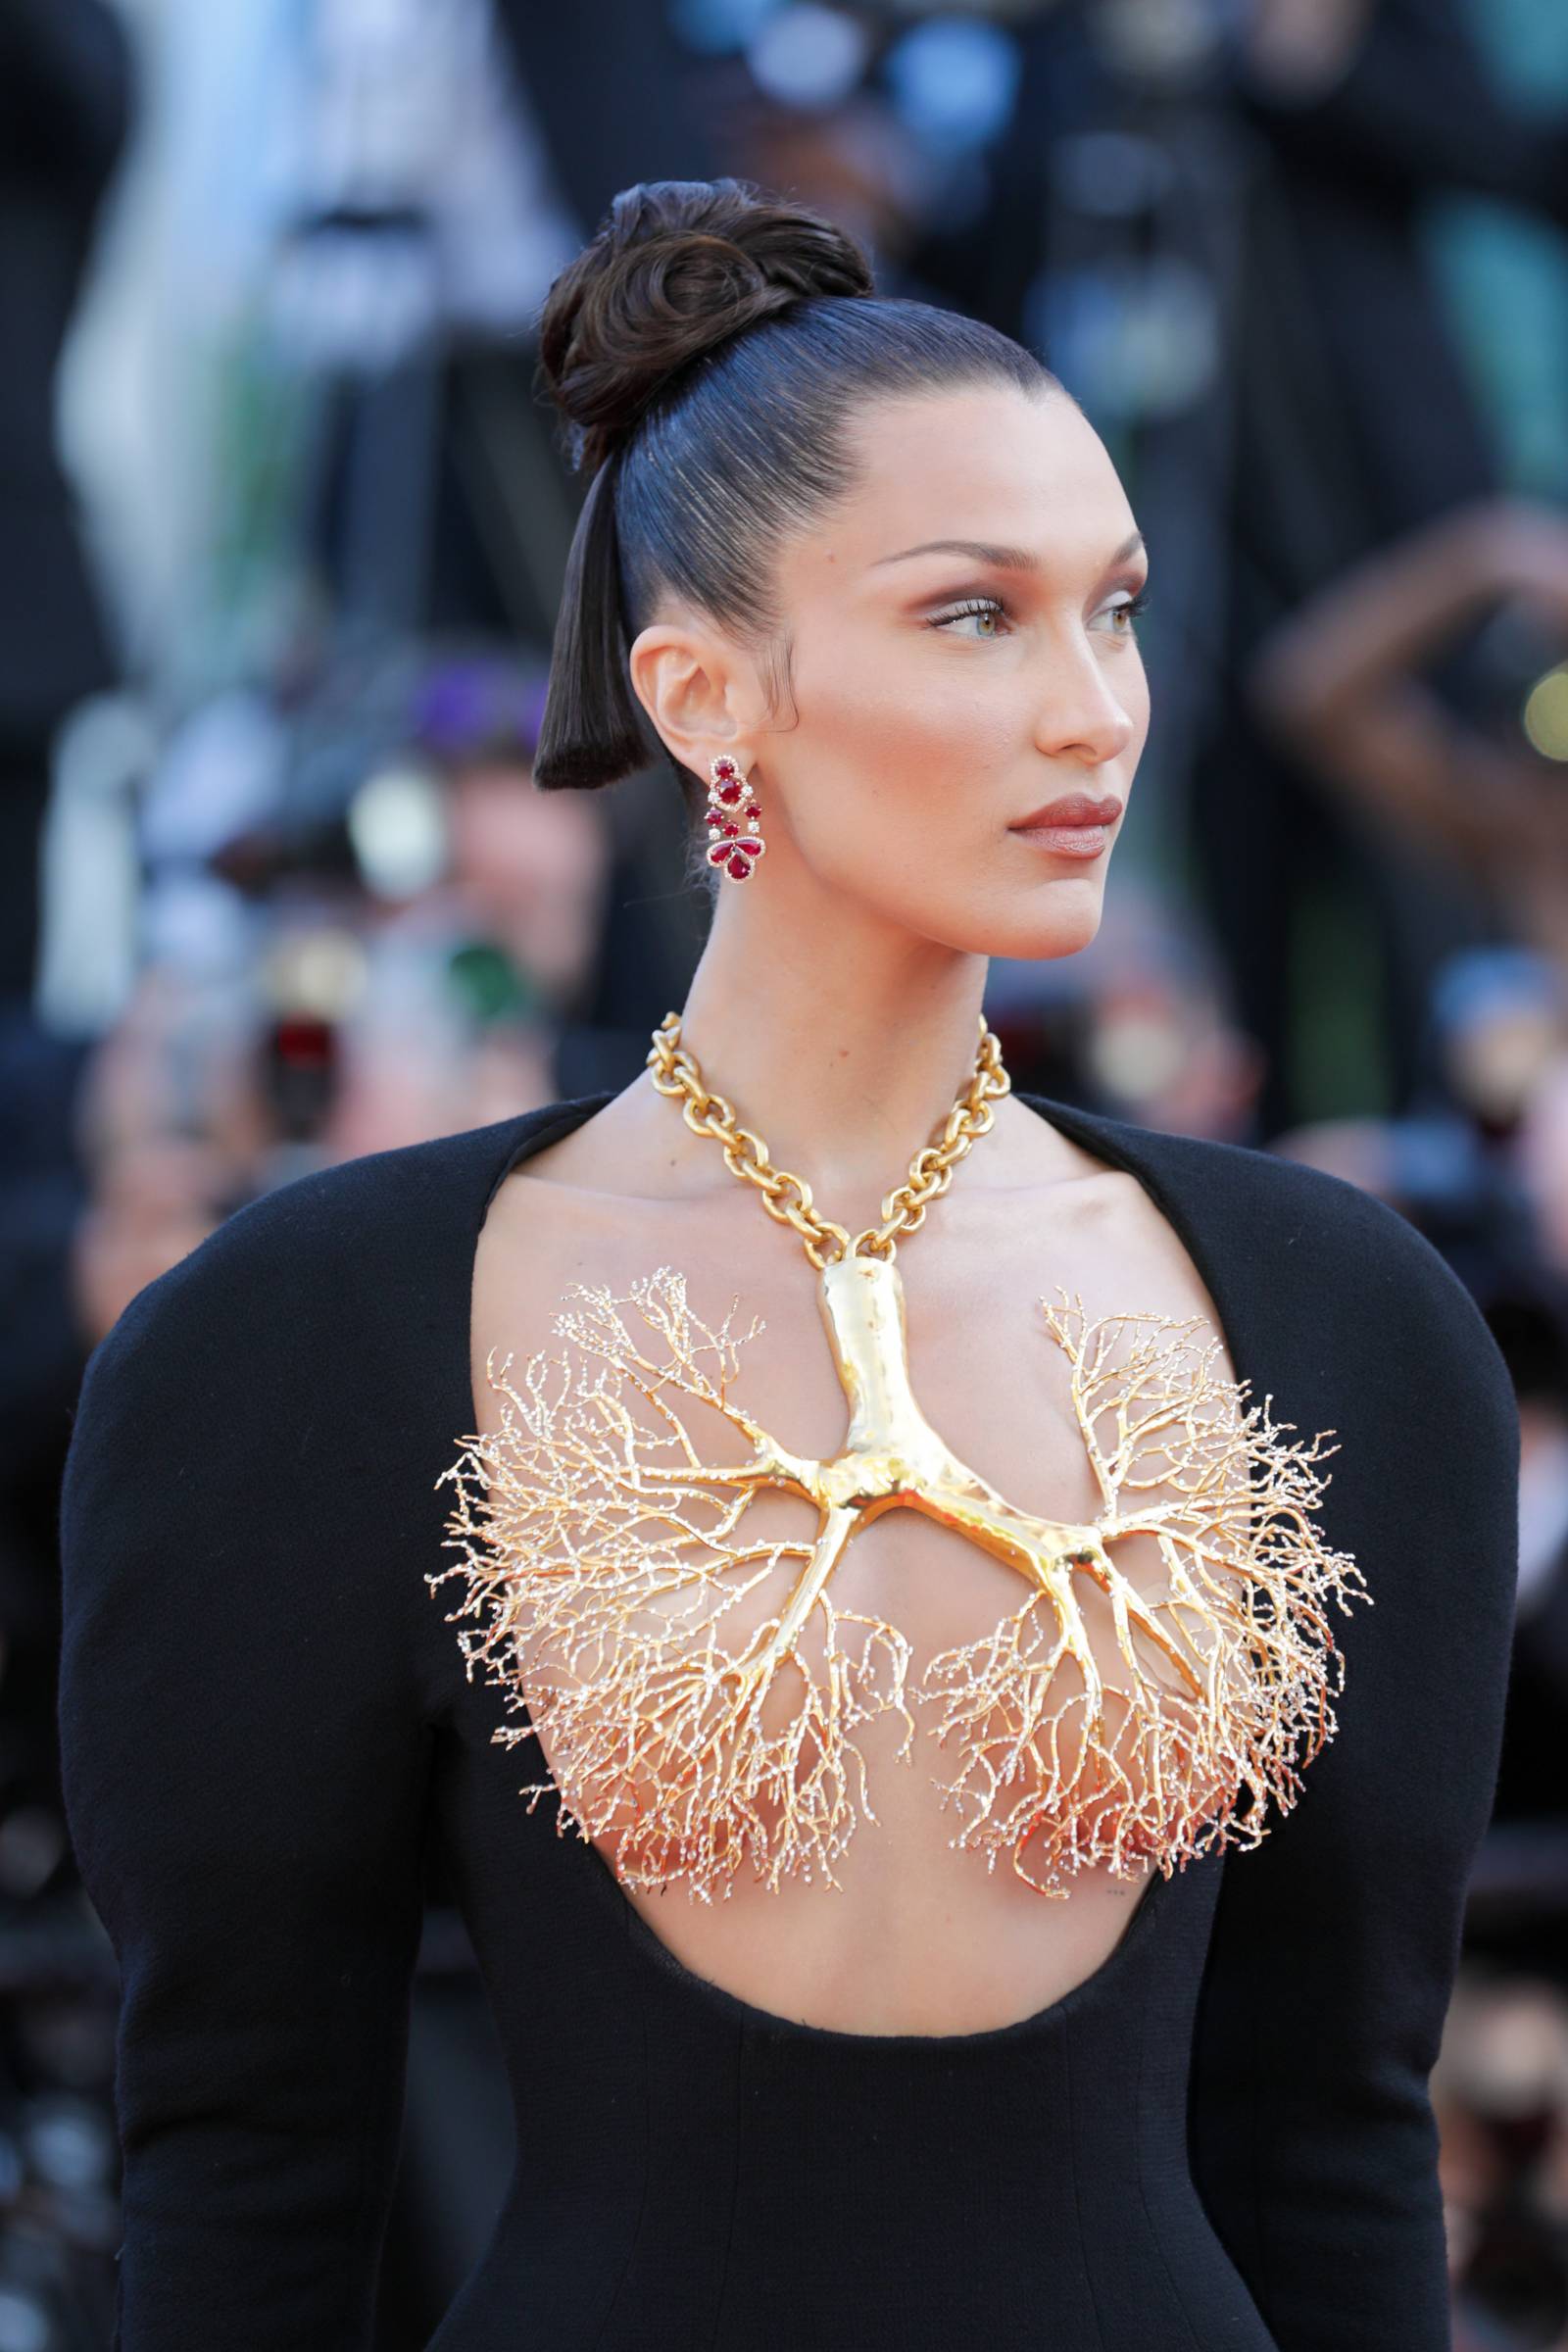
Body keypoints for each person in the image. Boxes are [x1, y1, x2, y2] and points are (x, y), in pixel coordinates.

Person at [56, 179, 1521, 2350]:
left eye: (1113, 611)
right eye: (971, 616)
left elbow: (1333, 2155)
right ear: (701, 691)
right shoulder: (309, 1340)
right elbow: (244, 2183)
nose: (1091, 709)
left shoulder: (1340, 1325)